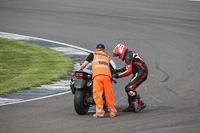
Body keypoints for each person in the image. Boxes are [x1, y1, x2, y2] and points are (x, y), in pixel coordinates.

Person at [79, 44, 117, 118]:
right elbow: (113, 68)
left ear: (96, 49)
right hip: (107, 76)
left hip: (98, 76)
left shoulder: (93, 54)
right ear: (104, 50)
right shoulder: (107, 57)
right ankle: (112, 112)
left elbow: (85, 64)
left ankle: (100, 112)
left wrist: (80, 67)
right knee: (108, 94)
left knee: (97, 93)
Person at [113, 44, 148, 113]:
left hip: (141, 72)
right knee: (128, 88)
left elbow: (128, 71)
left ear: (121, 52)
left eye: (118, 55)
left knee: (129, 88)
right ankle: (131, 106)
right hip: (139, 72)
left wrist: (118, 76)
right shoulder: (129, 54)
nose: (119, 58)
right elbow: (127, 68)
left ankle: (140, 103)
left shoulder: (128, 56)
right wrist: (117, 70)